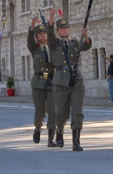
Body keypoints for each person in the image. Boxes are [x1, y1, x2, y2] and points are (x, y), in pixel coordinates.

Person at [46, 8, 92, 151]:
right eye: (62, 28)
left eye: (66, 28)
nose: (65, 30)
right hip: (60, 83)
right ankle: (59, 131)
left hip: (75, 80)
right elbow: (49, 35)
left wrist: (86, 37)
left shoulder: (74, 43)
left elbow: (86, 46)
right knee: (61, 113)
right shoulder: (54, 45)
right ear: (58, 31)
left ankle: (76, 141)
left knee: (77, 111)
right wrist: (52, 18)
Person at [27, 18, 57, 147]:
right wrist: (32, 26)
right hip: (38, 83)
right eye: (40, 34)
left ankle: (51, 139)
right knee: (40, 111)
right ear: (37, 37)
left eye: (45, 33)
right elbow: (29, 41)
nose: (43, 35)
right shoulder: (35, 49)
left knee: (53, 111)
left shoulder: (53, 48)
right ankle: (38, 128)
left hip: (51, 82)